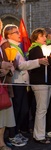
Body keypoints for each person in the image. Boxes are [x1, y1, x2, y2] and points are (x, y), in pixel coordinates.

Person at [3, 24, 49, 146]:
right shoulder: (10, 47)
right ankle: (12, 135)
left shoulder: (16, 47)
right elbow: (21, 65)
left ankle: (16, 132)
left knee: (22, 110)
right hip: (16, 82)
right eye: (16, 32)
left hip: (22, 82)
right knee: (17, 110)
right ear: (9, 35)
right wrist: (38, 62)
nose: (19, 34)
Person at [28, 28, 51, 144]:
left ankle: (41, 132)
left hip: (46, 82)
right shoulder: (35, 49)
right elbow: (40, 64)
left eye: (46, 36)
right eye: (42, 36)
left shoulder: (41, 48)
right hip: (40, 82)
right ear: (36, 37)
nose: (45, 38)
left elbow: (47, 65)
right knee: (41, 109)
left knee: (43, 109)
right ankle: (39, 135)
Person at [0, 19, 15, 150]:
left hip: (2, 86)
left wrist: (7, 69)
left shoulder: (1, 45)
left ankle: (1, 143)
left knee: (3, 115)